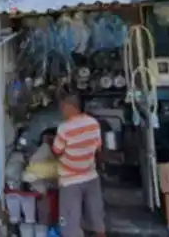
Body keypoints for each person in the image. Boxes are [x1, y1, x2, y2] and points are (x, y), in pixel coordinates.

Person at [51, 94, 105, 237]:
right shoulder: (93, 123)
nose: (61, 111)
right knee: (96, 221)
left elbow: (56, 151)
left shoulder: (65, 128)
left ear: (70, 107)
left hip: (70, 180)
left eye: (63, 107)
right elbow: (98, 149)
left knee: (71, 226)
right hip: (91, 176)